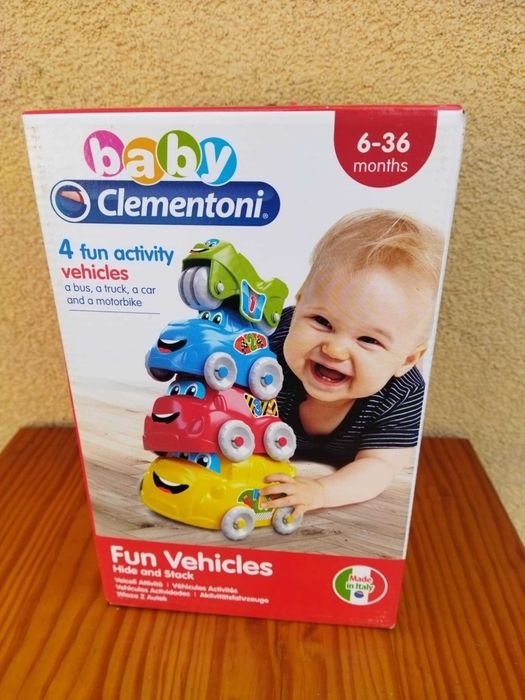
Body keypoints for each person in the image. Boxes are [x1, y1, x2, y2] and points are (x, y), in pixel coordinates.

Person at [261, 209, 444, 518]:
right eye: (322, 321)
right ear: (299, 302)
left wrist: (321, 491)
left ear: (407, 360)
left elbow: (378, 466)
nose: (335, 350)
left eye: (368, 340)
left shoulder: (402, 393)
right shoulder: (269, 348)